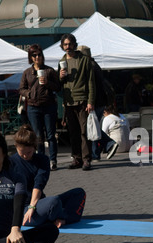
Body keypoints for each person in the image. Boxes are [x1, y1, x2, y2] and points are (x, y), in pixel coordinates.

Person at [10, 125, 86, 228]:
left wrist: (32, 206)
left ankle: (61, 218)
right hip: (22, 209)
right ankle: (55, 216)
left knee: (79, 193)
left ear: (34, 147)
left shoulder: (42, 160)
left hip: (37, 204)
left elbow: (39, 184)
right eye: (22, 152)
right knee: (54, 202)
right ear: (16, 147)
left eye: (29, 152)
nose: (25, 156)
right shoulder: (10, 162)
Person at [19, 44, 61, 171]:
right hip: (33, 107)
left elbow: (58, 87)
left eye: (39, 55)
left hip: (48, 106)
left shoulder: (49, 71)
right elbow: (21, 89)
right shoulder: (27, 73)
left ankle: (53, 160)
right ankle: (42, 160)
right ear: (31, 58)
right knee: (38, 136)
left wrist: (48, 83)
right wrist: (29, 93)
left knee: (51, 135)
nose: (37, 57)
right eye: (34, 55)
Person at [58, 33, 95, 171]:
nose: (68, 47)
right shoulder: (62, 61)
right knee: (73, 132)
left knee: (84, 131)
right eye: (65, 45)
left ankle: (86, 159)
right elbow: (59, 84)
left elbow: (91, 82)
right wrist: (60, 77)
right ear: (62, 46)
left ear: (74, 44)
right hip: (68, 102)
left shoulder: (84, 60)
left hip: (82, 101)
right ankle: (76, 158)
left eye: (70, 44)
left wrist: (90, 101)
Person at [77, 45, 117, 161]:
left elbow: (91, 87)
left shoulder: (89, 66)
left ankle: (109, 144)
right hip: (99, 101)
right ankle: (95, 153)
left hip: (95, 101)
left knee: (92, 127)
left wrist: (90, 102)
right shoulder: (95, 65)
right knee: (93, 126)